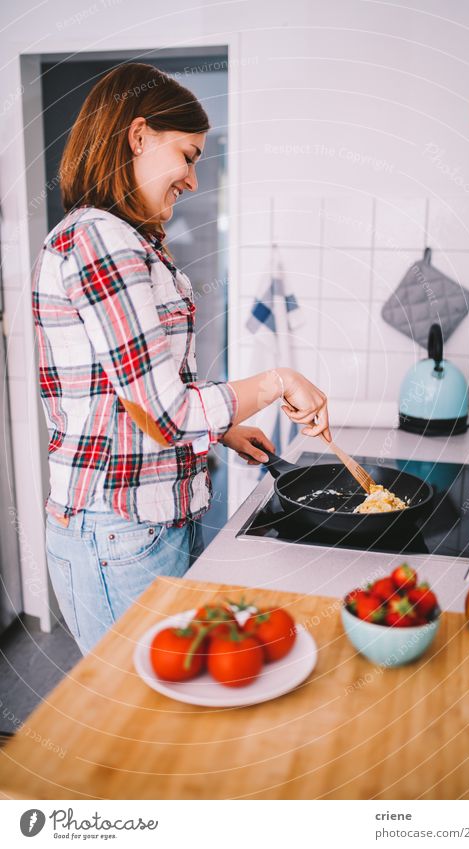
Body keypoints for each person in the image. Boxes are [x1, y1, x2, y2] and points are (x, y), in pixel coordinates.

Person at [32, 62, 330, 655]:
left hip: (149, 524)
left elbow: (133, 397)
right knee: (142, 731)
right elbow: (163, 411)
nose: (194, 180)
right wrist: (277, 380)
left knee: (169, 713)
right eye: (189, 155)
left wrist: (221, 429)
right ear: (138, 136)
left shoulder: (130, 239)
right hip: (121, 531)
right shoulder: (98, 238)